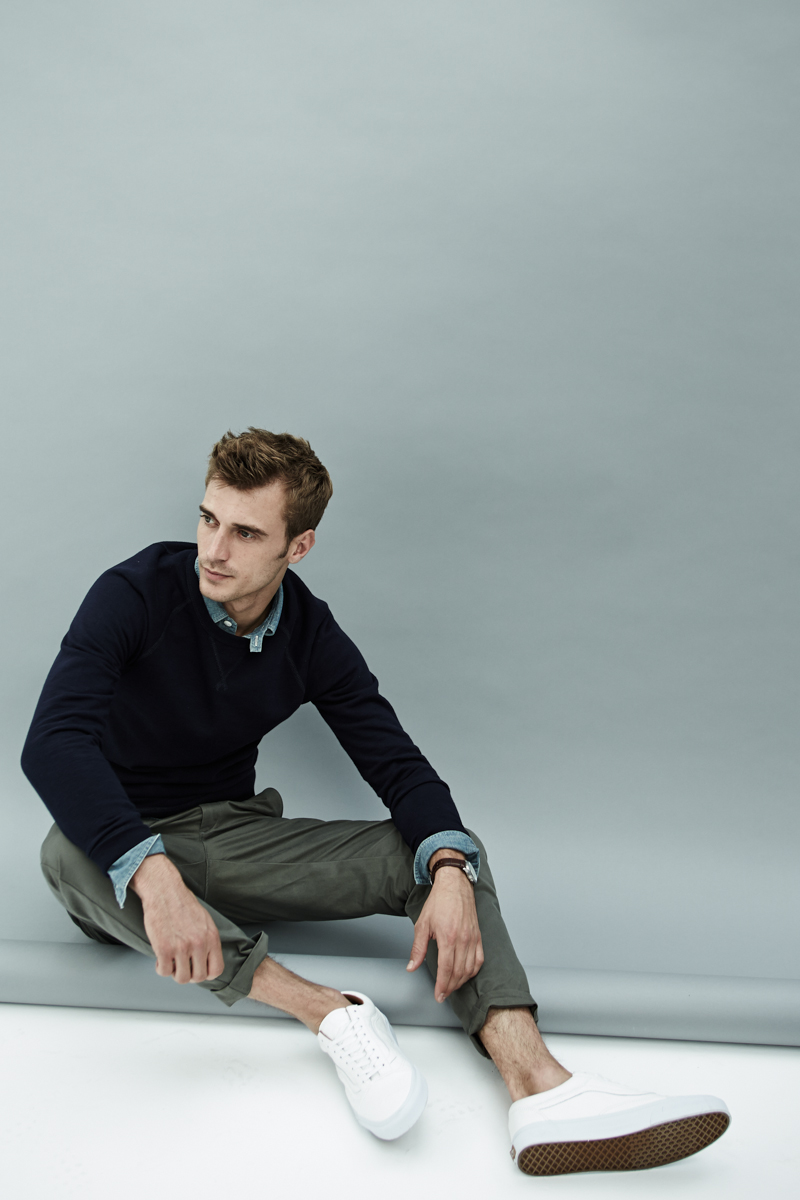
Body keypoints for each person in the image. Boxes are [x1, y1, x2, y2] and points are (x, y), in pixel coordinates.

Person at [22, 428, 730, 1175]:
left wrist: (449, 867)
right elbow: (52, 744)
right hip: (121, 853)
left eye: (246, 533)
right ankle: (330, 1011)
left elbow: (396, 763)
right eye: (208, 519)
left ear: (298, 547)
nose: (214, 550)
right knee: (63, 851)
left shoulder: (310, 633)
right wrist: (153, 875)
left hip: (232, 841)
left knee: (443, 850)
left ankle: (540, 1086)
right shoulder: (135, 593)